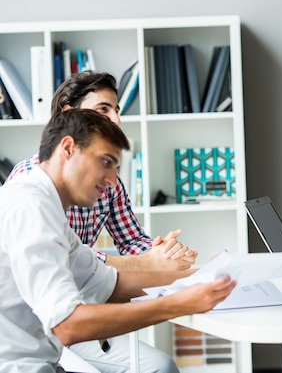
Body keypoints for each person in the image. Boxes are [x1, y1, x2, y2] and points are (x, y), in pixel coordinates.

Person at [0, 109, 237, 372]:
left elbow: (109, 283)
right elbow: (68, 325)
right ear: (67, 148)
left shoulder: (47, 207)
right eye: (105, 162)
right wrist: (175, 305)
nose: (113, 182)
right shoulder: (30, 207)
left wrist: (207, 276)